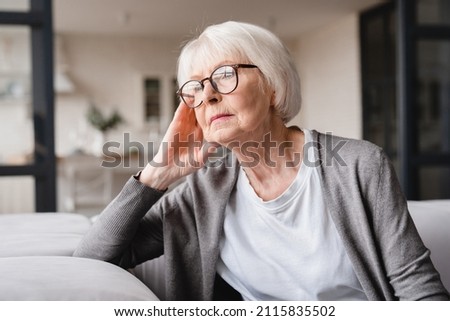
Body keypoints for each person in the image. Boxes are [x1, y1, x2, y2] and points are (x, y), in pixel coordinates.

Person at [74, 21, 449, 301]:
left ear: (273, 85)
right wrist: (156, 174)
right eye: (195, 88)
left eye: (224, 76)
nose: (208, 97)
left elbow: (418, 289)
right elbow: (93, 257)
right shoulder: (202, 191)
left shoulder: (358, 165)